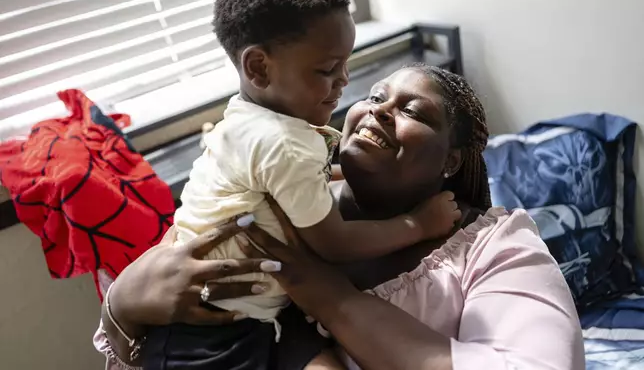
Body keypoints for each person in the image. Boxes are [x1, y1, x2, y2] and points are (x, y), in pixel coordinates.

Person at [95, 65, 585, 370]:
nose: (379, 111)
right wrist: (123, 306)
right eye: (374, 97)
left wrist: (332, 300)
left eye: (412, 110)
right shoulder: (267, 202)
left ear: (451, 162)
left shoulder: (494, 244)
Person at [170, 0, 459, 367]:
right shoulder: (285, 144)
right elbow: (334, 244)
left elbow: (294, 181)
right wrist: (419, 224)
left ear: (453, 160)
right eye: (327, 69)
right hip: (219, 330)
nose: (343, 80)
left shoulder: (245, 119)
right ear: (258, 67)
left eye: (346, 63)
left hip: (217, 312)